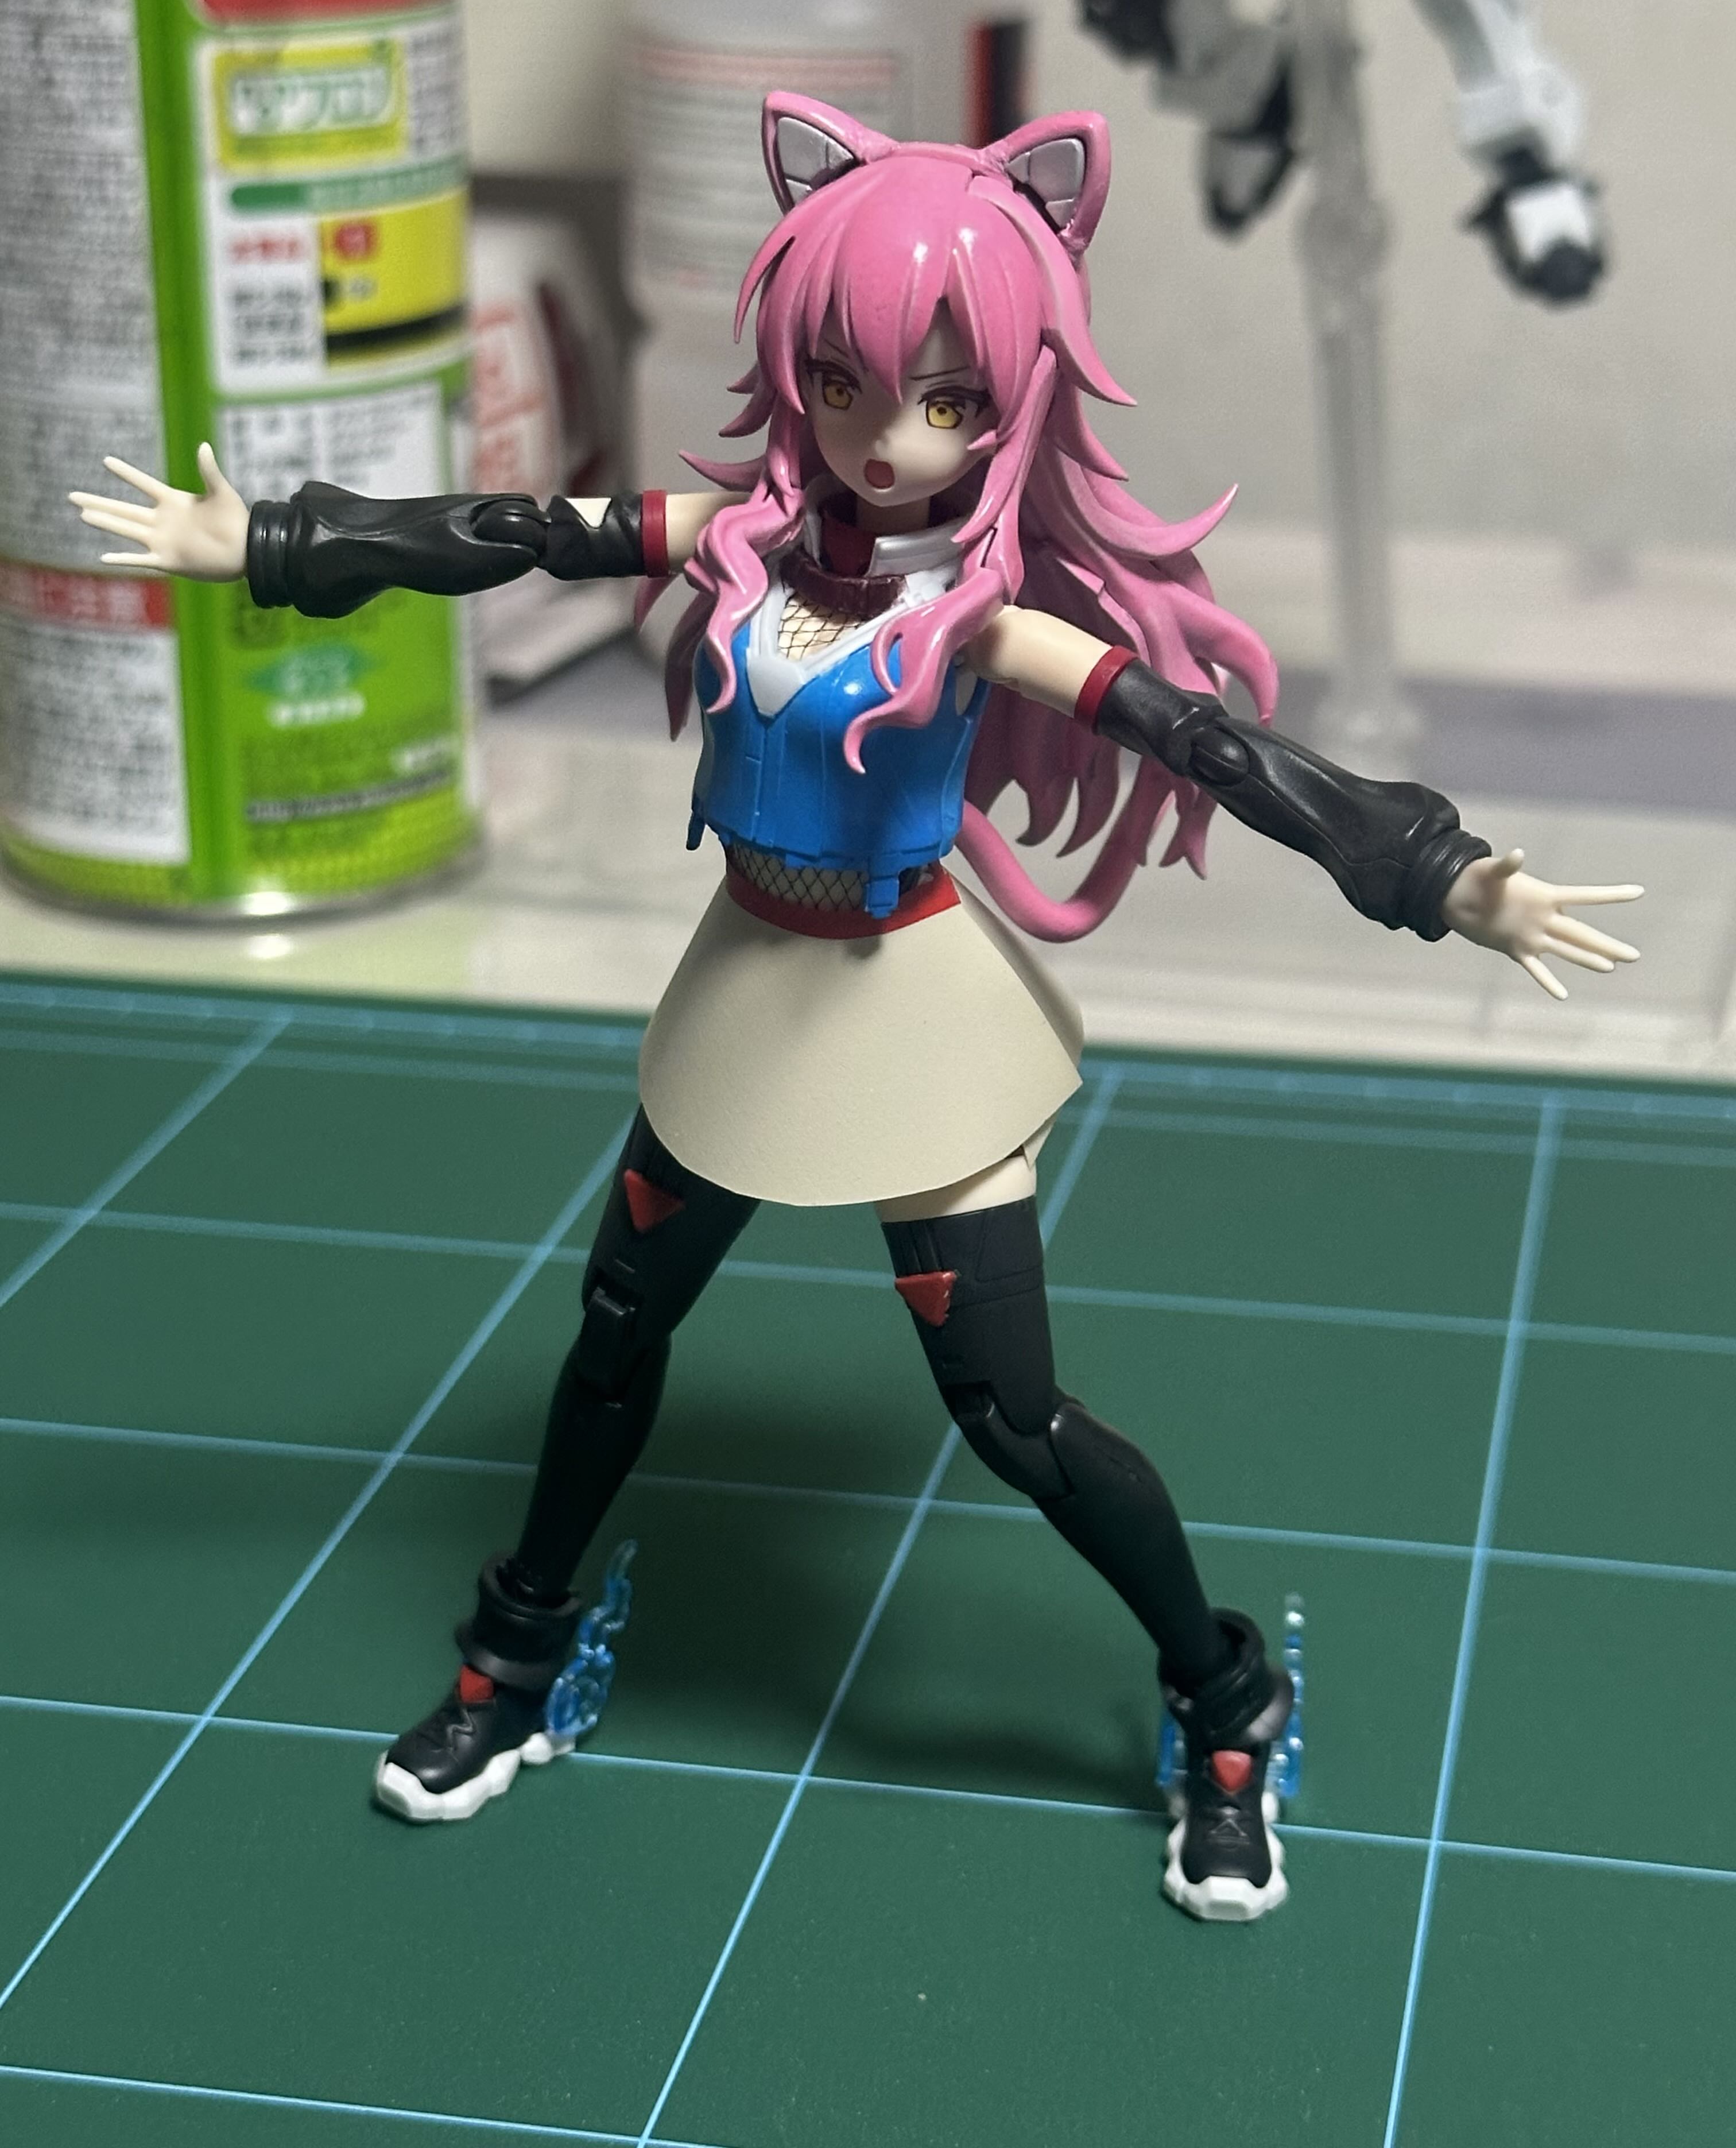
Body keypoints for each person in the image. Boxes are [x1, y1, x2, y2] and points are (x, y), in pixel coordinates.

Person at [71, 95, 1641, 1923]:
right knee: (615, 1331)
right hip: (749, 992)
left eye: (947, 402)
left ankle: (1225, 1697)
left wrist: (1433, 869)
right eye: (845, 384)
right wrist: (276, 540)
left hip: (908, 1015)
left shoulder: (977, 616)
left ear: (1012, 403)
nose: (888, 439)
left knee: (1014, 1419)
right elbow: (515, 529)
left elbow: (1206, 741)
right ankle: (518, 1646)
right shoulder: (736, 544)